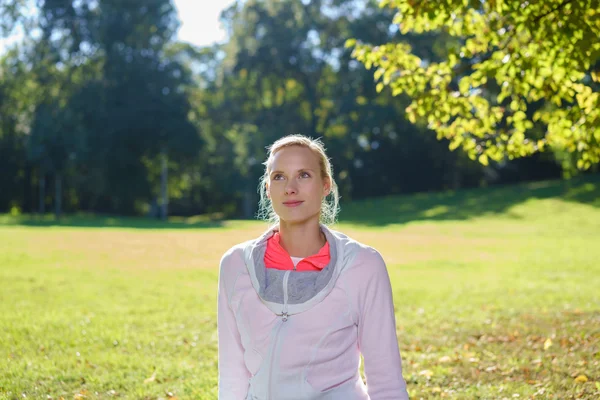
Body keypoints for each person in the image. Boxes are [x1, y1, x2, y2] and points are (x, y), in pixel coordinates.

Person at [217, 134, 409, 400]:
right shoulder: (235, 264)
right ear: (267, 188)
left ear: (326, 185)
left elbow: (386, 380)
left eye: (304, 175)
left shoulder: (364, 264)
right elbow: (232, 372)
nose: (290, 188)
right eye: (279, 177)